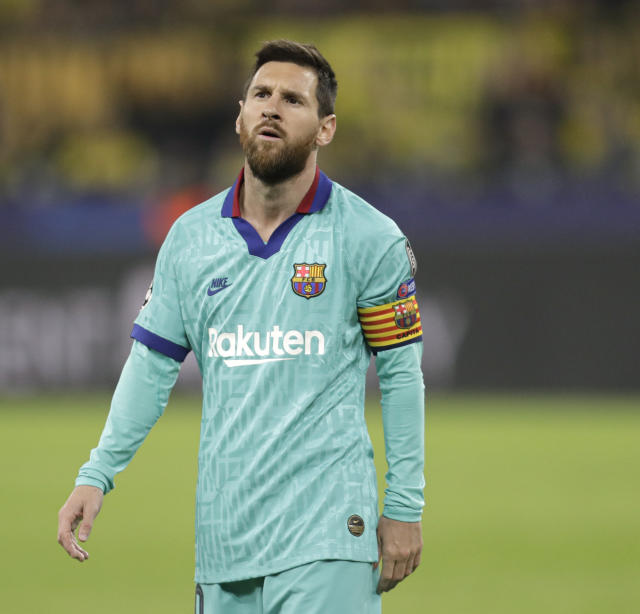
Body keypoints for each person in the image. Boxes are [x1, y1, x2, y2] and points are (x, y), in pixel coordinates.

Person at [57, 39, 425, 614]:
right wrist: (96, 474)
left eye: (293, 100)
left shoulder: (368, 237)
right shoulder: (190, 238)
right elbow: (150, 368)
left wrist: (404, 506)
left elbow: (401, 376)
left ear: (326, 128)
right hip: (225, 543)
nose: (272, 107)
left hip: (328, 536)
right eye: (261, 94)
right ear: (240, 115)